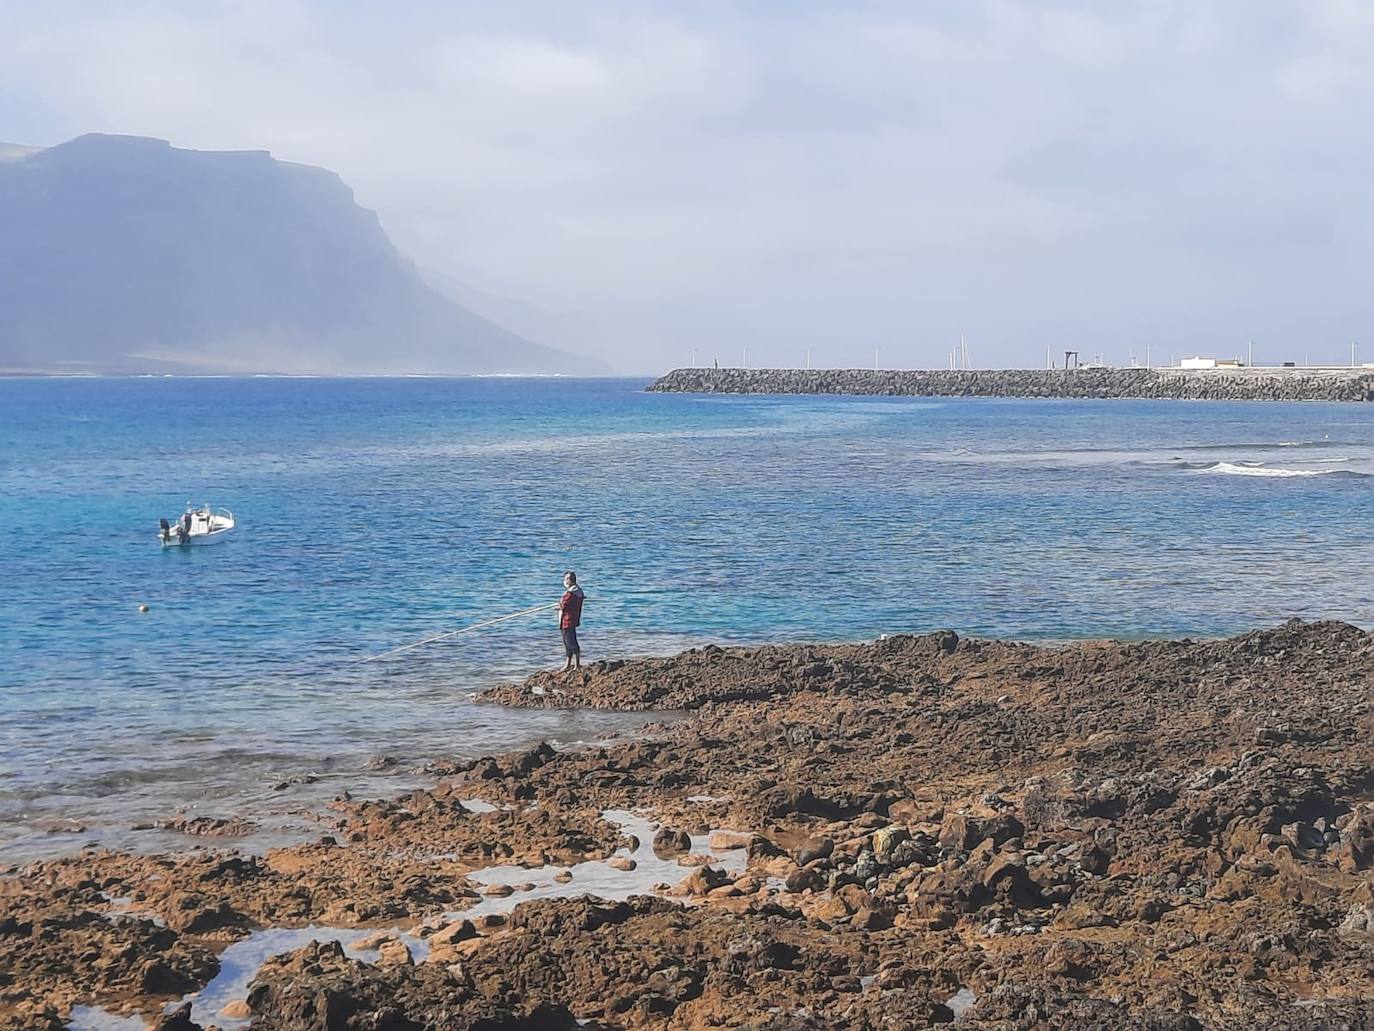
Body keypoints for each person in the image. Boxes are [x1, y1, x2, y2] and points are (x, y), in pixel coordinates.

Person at [556, 571, 585, 672]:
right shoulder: (577, 591)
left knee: (571, 643)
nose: (565, 581)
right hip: (570, 620)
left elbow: (564, 605)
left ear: (570, 580)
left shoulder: (572, 593)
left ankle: (576, 665)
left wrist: (558, 607)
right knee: (567, 643)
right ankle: (568, 664)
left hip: (567, 620)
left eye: (566, 579)